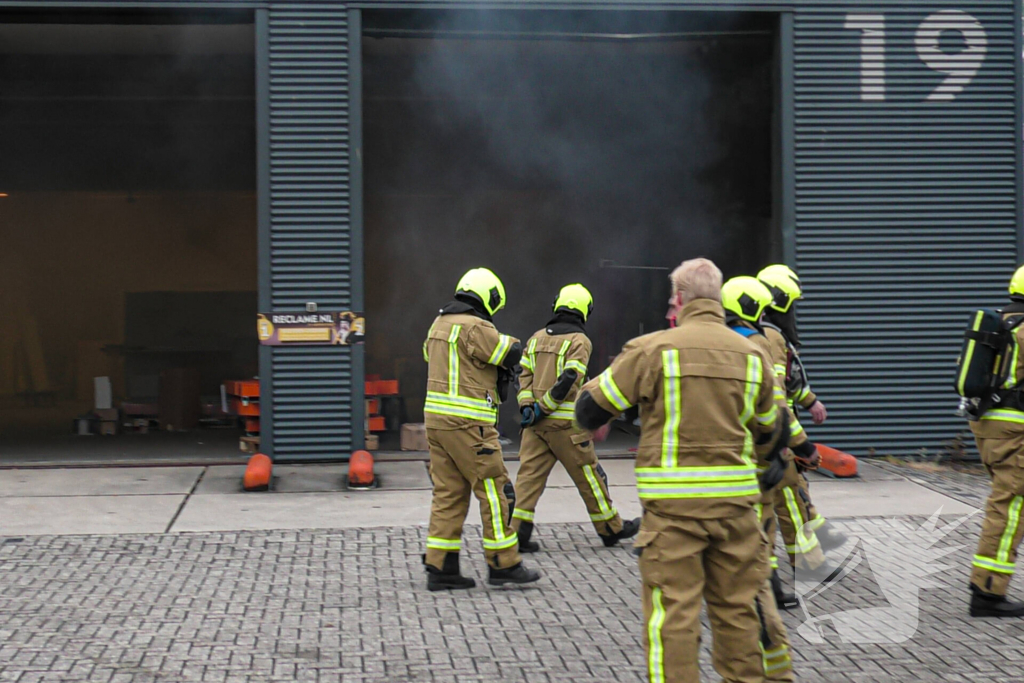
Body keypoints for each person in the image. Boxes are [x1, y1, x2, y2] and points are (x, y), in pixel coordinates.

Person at [575, 258, 788, 683]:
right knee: (740, 617)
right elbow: (774, 435)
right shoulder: (752, 355)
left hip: (673, 518)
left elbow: (588, 410)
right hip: (737, 515)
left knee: (673, 622)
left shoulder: (652, 350)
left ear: (678, 299)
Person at [421, 267, 541, 590]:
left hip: (436, 424)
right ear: (488, 297)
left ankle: (441, 567)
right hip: (469, 425)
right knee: (495, 488)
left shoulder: (437, 325)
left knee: (449, 493)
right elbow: (509, 351)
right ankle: (504, 562)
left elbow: (430, 358)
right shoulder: (475, 325)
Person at [512, 284, 640, 552]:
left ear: (557, 305)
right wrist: (545, 407)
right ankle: (611, 529)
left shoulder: (535, 338)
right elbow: (570, 380)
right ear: (584, 311)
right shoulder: (580, 341)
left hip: (535, 428)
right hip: (566, 428)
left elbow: (523, 376)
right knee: (589, 478)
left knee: (528, 479)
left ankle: (517, 534)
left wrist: (528, 407)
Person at [720, 275, 795, 679]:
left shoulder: (713, 343)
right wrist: (791, 445)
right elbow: (775, 402)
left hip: (719, 468)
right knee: (763, 528)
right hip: (755, 460)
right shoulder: (759, 345)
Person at [757, 264, 846, 581]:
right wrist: (796, 441)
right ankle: (806, 564)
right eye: (792, 304)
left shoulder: (764, 333)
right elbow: (778, 394)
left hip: (772, 431)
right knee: (792, 498)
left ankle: (800, 560)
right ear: (779, 301)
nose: (794, 312)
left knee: (789, 498)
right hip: (777, 433)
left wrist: (811, 402)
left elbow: (791, 383)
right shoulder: (771, 337)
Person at [967, 265, 1024, 617]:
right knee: (1009, 508)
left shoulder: (1001, 323)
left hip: (991, 427)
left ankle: (988, 586)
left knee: (1009, 504)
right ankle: (987, 592)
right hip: (1015, 430)